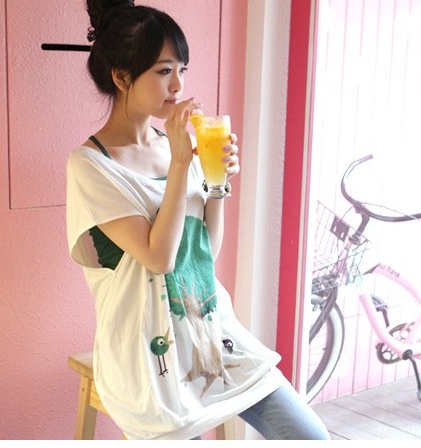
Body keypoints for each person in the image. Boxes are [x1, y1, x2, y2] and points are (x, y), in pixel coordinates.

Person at [66, 0, 330, 440]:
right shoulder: (91, 166)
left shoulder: (176, 145)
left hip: (211, 332)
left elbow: (204, 251)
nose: (178, 84)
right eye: (164, 71)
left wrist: (217, 182)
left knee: (310, 437)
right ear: (122, 77)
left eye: (181, 69)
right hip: (148, 353)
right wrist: (180, 163)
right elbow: (159, 258)